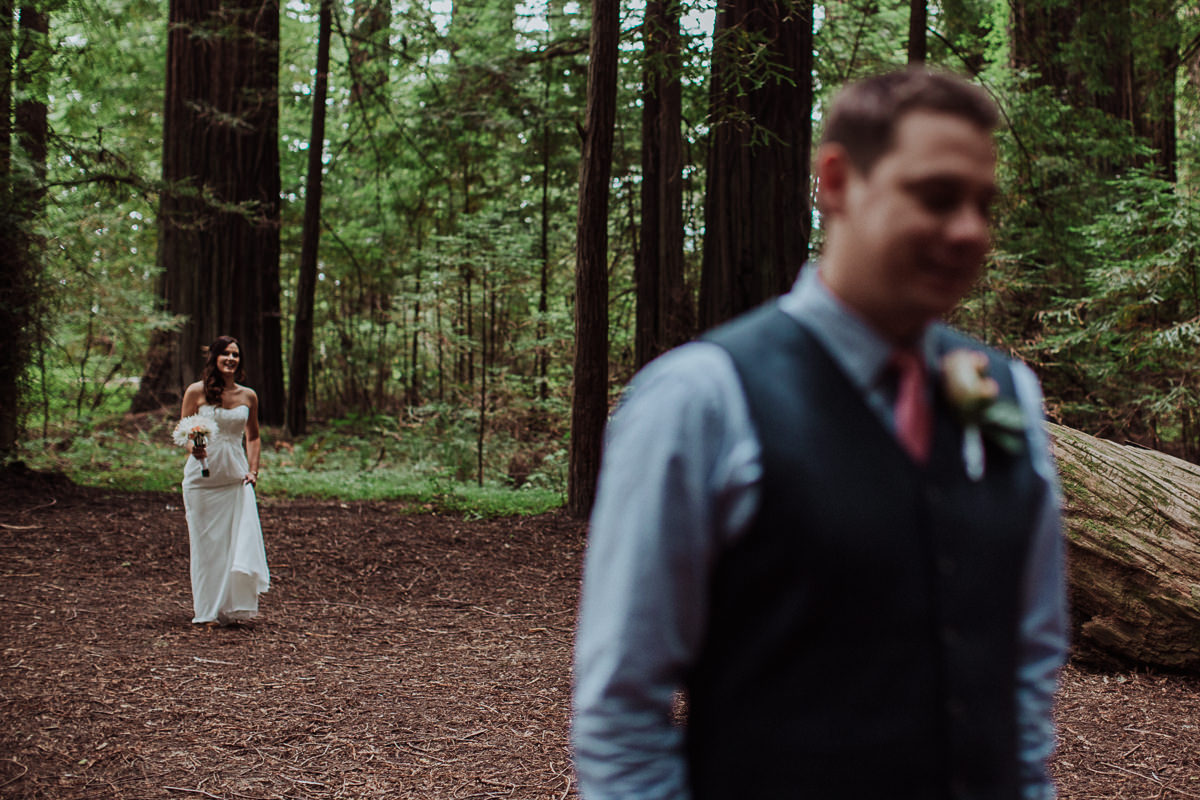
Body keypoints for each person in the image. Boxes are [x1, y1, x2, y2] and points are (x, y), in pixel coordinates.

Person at [572, 67, 1068, 800]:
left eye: (982, 204)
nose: (970, 230)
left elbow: (1028, 665)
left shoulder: (1010, 395)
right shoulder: (701, 400)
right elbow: (619, 712)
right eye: (936, 196)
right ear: (836, 181)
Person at [179, 335, 270, 626]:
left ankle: (229, 606)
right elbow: (183, 431)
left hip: (234, 479)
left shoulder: (248, 396)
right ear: (215, 358)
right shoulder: (196, 391)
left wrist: (253, 471)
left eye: (236, 354)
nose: (231, 359)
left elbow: (253, 436)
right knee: (205, 545)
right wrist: (194, 447)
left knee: (233, 543)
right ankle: (205, 610)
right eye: (226, 354)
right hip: (201, 479)